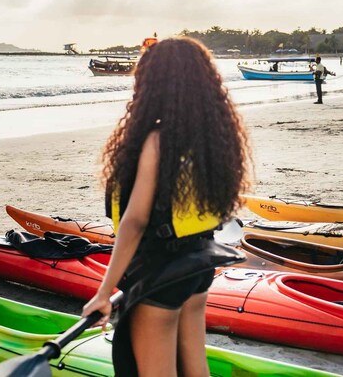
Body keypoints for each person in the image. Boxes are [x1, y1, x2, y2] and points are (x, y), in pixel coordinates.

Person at [82, 37, 250, 375]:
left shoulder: (158, 141)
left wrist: (103, 293)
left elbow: (135, 221)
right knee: (194, 365)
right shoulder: (213, 139)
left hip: (160, 270)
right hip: (198, 265)